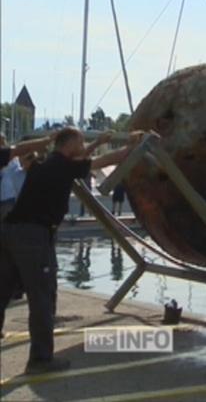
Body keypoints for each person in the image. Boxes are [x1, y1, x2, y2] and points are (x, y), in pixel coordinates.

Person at [0, 128, 144, 374]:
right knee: (42, 296)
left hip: (10, 232)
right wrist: (137, 146)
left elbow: (81, 160)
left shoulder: (50, 162)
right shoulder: (63, 166)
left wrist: (98, 142)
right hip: (33, 236)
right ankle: (40, 360)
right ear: (68, 146)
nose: (82, 146)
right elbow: (105, 160)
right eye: (80, 142)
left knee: (1, 290)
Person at [1, 152, 37, 222]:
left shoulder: (32, 175)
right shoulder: (15, 171)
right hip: (9, 202)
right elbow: (5, 170)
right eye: (30, 160)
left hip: (21, 205)